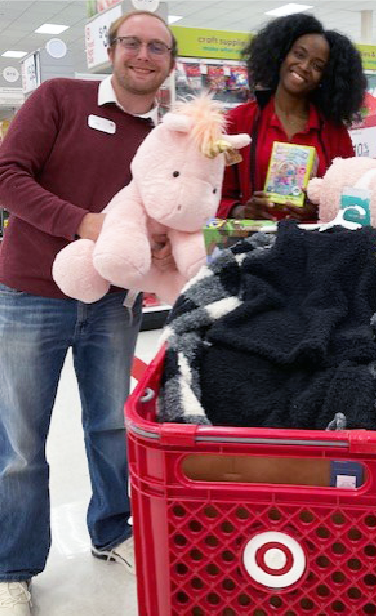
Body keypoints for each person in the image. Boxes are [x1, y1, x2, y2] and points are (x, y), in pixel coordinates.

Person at [0, 11, 176, 614]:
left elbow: (170, 206)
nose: (144, 56)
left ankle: (113, 531)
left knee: (110, 425)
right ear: (111, 48)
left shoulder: (168, 134)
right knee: (21, 441)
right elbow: (6, 174)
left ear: (170, 62)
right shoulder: (60, 98)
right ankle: (14, 566)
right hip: (29, 294)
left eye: (157, 47)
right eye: (133, 43)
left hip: (112, 302)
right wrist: (81, 223)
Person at [216, 13, 367, 221]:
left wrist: (319, 210)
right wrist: (241, 212)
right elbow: (214, 193)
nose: (304, 67)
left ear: (326, 78)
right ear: (281, 54)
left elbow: (352, 200)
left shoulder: (334, 132)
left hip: (313, 248)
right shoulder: (239, 120)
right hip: (251, 247)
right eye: (299, 54)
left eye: (317, 66)